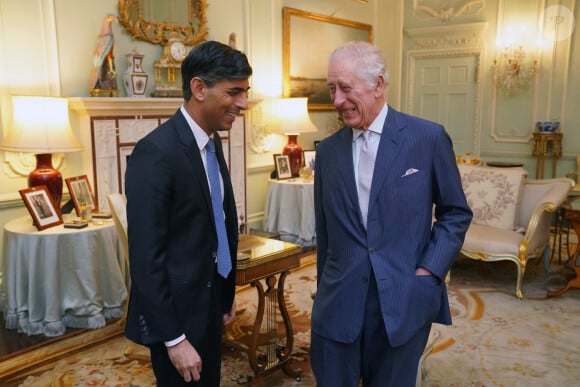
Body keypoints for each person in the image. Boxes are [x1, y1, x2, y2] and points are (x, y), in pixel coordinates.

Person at [310, 41, 473, 386]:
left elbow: (455, 213)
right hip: (338, 303)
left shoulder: (427, 138)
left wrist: (428, 273)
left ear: (378, 85)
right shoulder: (327, 152)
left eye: (345, 88)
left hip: (404, 297)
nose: (337, 100)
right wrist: (325, 289)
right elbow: (326, 233)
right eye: (331, 89)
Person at [124, 40, 252, 386]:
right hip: (176, 316)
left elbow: (216, 223)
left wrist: (224, 296)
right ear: (199, 88)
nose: (243, 103)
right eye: (234, 92)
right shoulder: (155, 154)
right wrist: (174, 339)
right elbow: (145, 259)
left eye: (245, 91)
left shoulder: (213, 140)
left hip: (208, 301)